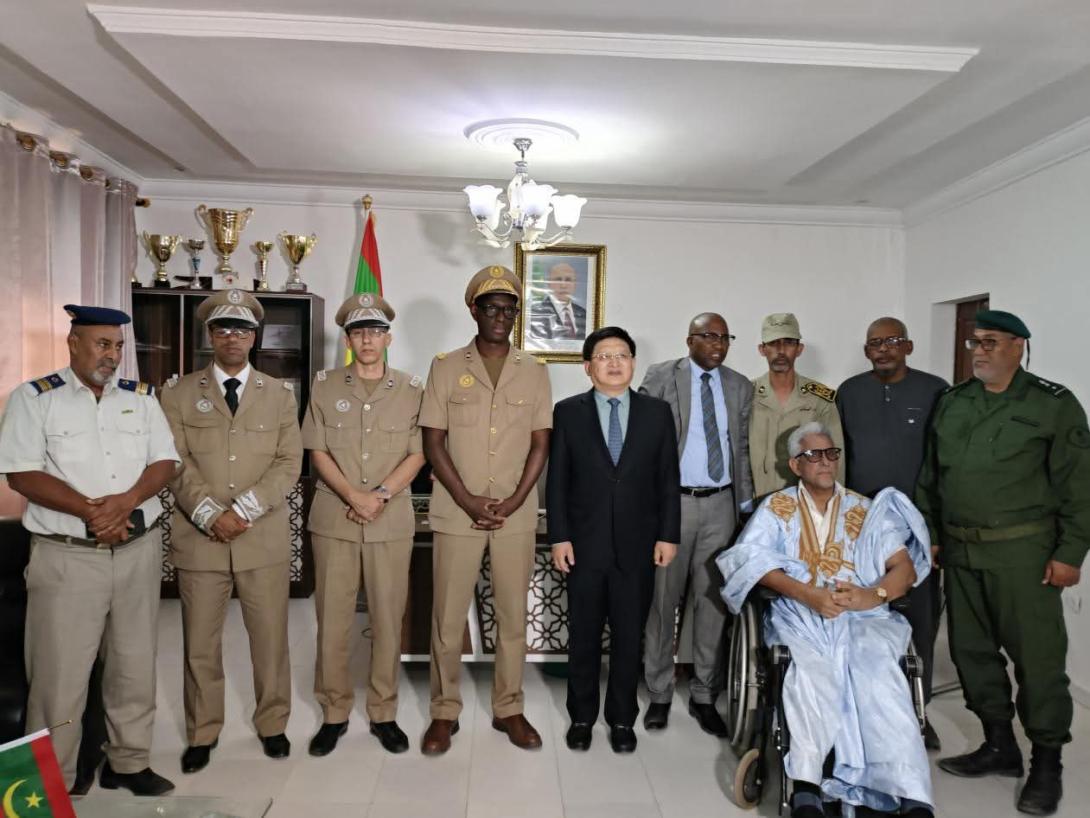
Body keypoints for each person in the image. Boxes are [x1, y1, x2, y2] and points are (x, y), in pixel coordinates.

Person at [916, 309, 1090, 816]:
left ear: (1019, 346)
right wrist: (930, 534)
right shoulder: (954, 402)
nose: (980, 351)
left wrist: (1070, 553)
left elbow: (1079, 487)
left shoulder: (1052, 405)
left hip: (1023, 555)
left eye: (991, 342)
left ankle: (1047, 764)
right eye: (976, 342)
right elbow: (931, 477)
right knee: (971, 652)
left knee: (1038, 660)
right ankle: (999, 745)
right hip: (961, 551)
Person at [0, 305, 179, 795]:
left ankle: (129, 763)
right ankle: (41, 787)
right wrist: (93, 512)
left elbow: (165, 462)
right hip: (67, 558)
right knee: (57, 679)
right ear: (73, 343)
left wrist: (125, 502)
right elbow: (22, 473)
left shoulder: (141, 399)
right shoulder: (35, 399)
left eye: (118, 346)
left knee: (133, 667)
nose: (112, 356)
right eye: (102, 344)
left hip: (137, 552)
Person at [718, 422, 934, 818]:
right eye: (813, 455)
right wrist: (808, 595)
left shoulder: (864, 510)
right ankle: (807, 785)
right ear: (795, 465)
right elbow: (751, 562)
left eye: (831, 453)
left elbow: (903, 568)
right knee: (810, 672)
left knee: (878, 671)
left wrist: (873, 595)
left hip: (862, 614)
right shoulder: (777, 508)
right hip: (800, 612)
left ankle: (909, 791)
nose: (825, 462)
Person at [159, 289, 303, 772]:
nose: (233, 337)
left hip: (261, 537)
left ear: (254, 337)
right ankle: (202, 731)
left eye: (242, 329)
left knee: (270, 640)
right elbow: (173, 461)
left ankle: (273, 724)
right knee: (200, 643)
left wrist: (242, 510)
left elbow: (289, 463)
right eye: (223, 328)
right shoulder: (178, 393)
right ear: (210, 335)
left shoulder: (279, 395)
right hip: (200, 538)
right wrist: (209, 514)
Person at [418, 265, 553, 755]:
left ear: (517, 314)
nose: (500, 316)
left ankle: (508, 708)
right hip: (458, 511)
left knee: (513, 617)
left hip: (515, 513)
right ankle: (443, 712)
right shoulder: (445, 366)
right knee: (447, 618)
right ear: (473, 310)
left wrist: (514, 501)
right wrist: (467, 499)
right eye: (491, 307)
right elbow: (433, 441)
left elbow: (541, 443)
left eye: (509, 309)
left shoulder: (534, 370)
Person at [301, 293, 425, 756]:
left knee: (388, 620)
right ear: (348, 341)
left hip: (390, 521)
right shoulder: (324, 385)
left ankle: (383, 712)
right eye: (358, 332)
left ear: (388, 339)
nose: (367, 339)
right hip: (335, 518)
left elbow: (418, 453)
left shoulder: (412, 389)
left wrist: (380, 496)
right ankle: (334, 712)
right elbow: (316, 450)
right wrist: (354, 496)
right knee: (332, 621)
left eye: (375, 331)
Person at [548, 326, 680, 753]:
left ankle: (622, 719)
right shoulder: (568, 412)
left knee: (628, 638)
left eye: (622, 355)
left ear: (633, 363)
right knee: (583, 636)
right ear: (588, 367)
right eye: (604, 356)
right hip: (584, 546)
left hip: (639, 545)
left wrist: (668, 535)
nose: (614, 362)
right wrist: (559, 537)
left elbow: (668, 480)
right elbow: (558, 481)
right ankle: (581, 717)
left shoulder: (657, 413)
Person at [637, 312, 754, 735]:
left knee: (712, 604)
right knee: (662, 601)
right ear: (690, 340)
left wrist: (744, 508)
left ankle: (705, 694)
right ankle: (659, 693)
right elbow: (641, 438)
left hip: (720, 504)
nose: (718, 344)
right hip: (673, 505)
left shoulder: (739, 386)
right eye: (708, 336)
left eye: (724, 337)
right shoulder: (662, 376)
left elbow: (741, 447)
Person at [836, 317, 948, 750]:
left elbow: (943, 463)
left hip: (915, 528)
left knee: (918, 619)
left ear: (909, 346)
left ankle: (918, 711)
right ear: (866, 351)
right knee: (862, 614)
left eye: (892, 341)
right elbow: (838, 459)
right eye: (875, 344)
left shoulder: (935, 391)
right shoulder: (849, 393)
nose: (883, 350)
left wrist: (934, 530)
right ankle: (864, 708)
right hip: (861, 527)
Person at [750, 313, 843, 498]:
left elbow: (835, 456)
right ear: (762, 349)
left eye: (789, 343)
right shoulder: (746, 394)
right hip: (758, 499)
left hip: (807, 500)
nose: (781, 350)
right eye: (773, 343)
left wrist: (834, 502)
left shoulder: (820, 399)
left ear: (799, 349)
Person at [528, 261, 587, 341]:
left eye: (568, 280)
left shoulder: (584, 314)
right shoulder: (535, 314)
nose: (563, 285)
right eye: (558, 279)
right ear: (549, 283)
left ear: (575, 284)